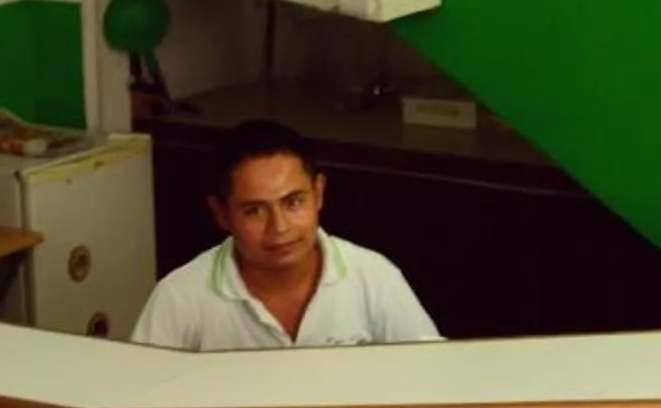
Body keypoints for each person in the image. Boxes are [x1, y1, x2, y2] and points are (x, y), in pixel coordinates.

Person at [131, 120, 441, 350]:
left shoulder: (375, 278)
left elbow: (431, 381)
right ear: (221, 214)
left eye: (293, 203)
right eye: (254, 210)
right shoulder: (179, 297)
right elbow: (139, 401)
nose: (279, 228)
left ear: (318, 193)